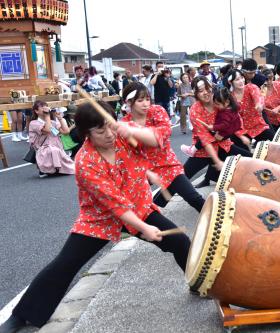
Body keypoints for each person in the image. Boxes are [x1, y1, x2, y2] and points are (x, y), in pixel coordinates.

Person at [0, 101, 191, 333]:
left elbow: (158, 138)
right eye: (100, 131)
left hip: (139, 206)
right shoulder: (85, 160)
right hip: (100, 219)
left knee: (180, 242)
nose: (109, 134)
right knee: (65, 263)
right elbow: (115, 205)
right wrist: (144, 228)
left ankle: (199, 284)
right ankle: (22, 315)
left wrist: (130, 130)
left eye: (110, 126)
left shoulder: (123, 136)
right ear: (86, 133)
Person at [120, 82, 205, 211]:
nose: (145, 104)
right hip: (142, 171)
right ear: (129, 102)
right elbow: (126, 155)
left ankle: (216, 223)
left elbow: (161, 135)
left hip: (167, 164)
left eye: (147, 99)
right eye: (140, 100)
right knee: (131, 206)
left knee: (194, 198)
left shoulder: (156, 111)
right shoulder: (124, 123)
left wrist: (132, 130)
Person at [182, 77, 252, 188]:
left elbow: (233, 119)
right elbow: (205, 139)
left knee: (251, 161)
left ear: (211, 87)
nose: (205, 93)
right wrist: (217, 161)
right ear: (195, 94)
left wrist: (240, 135)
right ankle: (153, 203)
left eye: (207, 88)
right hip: (204, 151)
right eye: (200, 91)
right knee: (180, 179)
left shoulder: (219, 99)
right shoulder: (195, 110)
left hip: (223, 145)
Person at [181, 87, 250, 156]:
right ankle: (252, 157)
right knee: (232, 151)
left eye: (217, 104)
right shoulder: (232, 107)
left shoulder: (226, 113)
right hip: (229, 132)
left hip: (225, 132)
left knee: (206, 135)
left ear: (227, 102)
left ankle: (192, 150)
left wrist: (214, 127)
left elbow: (224, 125)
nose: (215, 105)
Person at [28, 101, 75, 178]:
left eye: (46, 107)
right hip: (43, 149)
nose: (45, 109)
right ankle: (44, 169)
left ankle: (56, 169)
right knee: (52, 150)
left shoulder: (53, 122)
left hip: (57, 148)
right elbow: (47, 130)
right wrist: (47, 116)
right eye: (42, 108)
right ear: (36, 111)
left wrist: (60, 119)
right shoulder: (34, 123)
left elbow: (66, 132)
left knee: (72, 168)